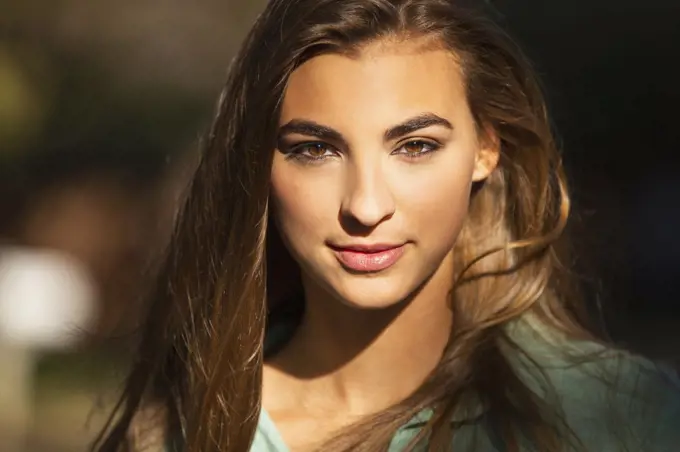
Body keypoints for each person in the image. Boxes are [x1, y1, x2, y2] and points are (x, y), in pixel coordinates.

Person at [92, 0, 680, 451]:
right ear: (259, 163)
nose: (367, 206)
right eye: (315, 150)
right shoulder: (177, 433)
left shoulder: (626, 418)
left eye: (416, 145)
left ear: (486, 149)